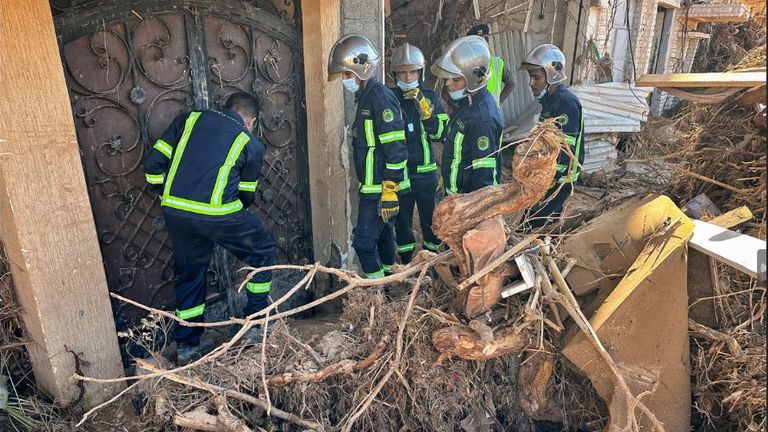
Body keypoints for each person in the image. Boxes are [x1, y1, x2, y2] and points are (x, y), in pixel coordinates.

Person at [143, 92, 276, 364]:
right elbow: (246, 196)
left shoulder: (188, 120)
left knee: (191, 273)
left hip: (176, 212)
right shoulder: (249, 142)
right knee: (263, 250)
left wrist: (164, 192)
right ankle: (255, 324)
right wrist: (223, 217)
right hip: (219, 214)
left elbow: (153, 165)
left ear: (225, 108)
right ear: (250, 121)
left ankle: (188, 347)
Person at [327, 34, 409, 279]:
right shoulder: (366, 97)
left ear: (360, 70)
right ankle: (386, 290)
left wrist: (389, 190)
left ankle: (373, 294)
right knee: (384, 240)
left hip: (380, 189)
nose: (344, 80)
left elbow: (396, 148)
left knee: (363, 243)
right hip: (372, 187)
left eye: (346, 74)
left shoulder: (380, 98)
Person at [389, 43, 448, 264]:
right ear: (395, 74)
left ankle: (431, 264)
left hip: (426, 174)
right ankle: (406, 264)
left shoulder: (431, 98)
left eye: (412, 72)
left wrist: (427, 112)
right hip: (401, 174)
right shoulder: (390, 99)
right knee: (402, 222)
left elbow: (441, 135)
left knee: (430, 221)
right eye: (403, 73)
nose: (407, 77)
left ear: (420, 73)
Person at [518, 44, 584, 228]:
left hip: (558, 180)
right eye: (530, 77)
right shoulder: (550, 101)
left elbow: (564, 150)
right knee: (532, 219)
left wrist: (545, 177)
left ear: (551, 75)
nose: (531, 83)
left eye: (536, 77)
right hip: (546, 176)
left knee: (535, 225)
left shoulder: (566, 103)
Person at [431, 35, 503, 195]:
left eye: (455, 79)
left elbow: (483, 179)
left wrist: (471, 213)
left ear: (473, 80)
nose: (448, 83)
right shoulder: (467, 103)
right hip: (454, 196)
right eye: (448, 78)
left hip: (465, 203)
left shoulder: (483, 119)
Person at [466, 24, 515, 106]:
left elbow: (511, 83)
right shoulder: (466, 65)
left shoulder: (497, 63)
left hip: (491, 114)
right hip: (474, 114)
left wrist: (498, 102)